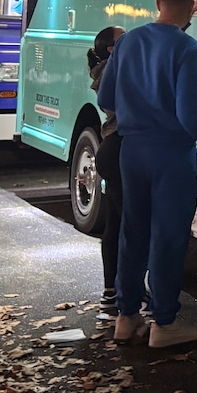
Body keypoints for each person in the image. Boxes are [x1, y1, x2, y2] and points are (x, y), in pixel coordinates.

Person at [97, 0, 197, 348]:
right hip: (170, 155)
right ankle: (164, 323)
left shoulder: (128, 41)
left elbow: (106, 99)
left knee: (132, 233)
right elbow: (189, 114)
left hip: (131, 151)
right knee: (167, 237)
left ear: (158, 2)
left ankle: (126, 315)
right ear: (190, 9)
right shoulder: (188, 48)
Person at [86, 25, 125, 317]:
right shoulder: (114, 70)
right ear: (113, 49)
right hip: (119, 149)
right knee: (127, 224)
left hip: (110, 150)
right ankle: (122, 295)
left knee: (116, 222)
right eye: (124, 37)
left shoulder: (108, 68)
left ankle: (112, 291)